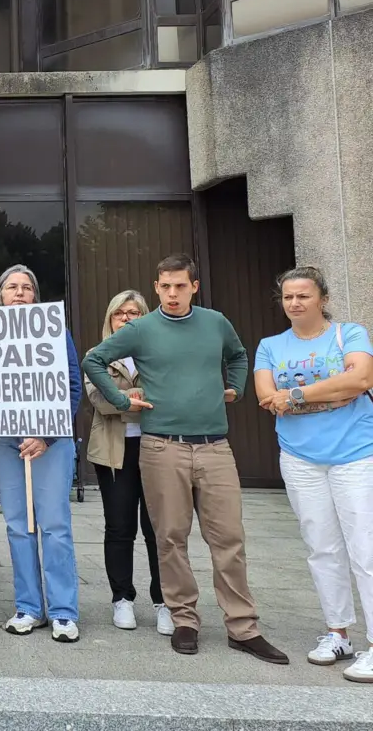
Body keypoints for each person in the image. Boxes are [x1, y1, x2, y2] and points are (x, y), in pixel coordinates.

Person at [82, 253, 287, 664]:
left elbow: (239, 355)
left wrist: (236, 387)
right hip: (162, 446)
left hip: (215, 446)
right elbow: (94, 360)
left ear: (195, 286)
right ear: (156, 287)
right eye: (164, 286)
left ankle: (243, 627)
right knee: (170, 538)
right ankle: (184, 619)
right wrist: (123, 399)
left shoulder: (215, 322)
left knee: (228, 538)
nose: (172, 293)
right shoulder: (141, 328)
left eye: (180, 285)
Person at [253, 266, 373, 682]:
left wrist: (298, 394)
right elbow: (267, 396)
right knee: (322, 547)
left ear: (322, 298)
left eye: (303, 295)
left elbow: (361, 377)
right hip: (300, 458)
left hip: (356, 454)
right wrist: (334, 389)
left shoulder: (350, 334)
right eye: (288, 297)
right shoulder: (271, 345)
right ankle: (337, 633)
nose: (295, 303)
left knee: (365, 548)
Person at [0, 265, 83, 642]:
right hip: (4, 441)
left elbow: (72, 383)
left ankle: (62, 611)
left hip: (50, 442)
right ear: (0, 296)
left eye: (28, 287)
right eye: (12, 287)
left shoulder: (56, 331)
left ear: (36, 297)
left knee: (55, 525)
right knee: (17, 525)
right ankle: (28, 607)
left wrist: (44, 434)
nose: (21, 292)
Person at [84, 290, 170, 635]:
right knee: (120, 526)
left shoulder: (160, 352)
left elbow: (168, 397)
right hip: (113, 453)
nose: (127, 318)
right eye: (120, 313)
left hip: (157, 448)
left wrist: (121, 396)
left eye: (135, 312)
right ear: (110, 319)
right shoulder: (97, 356)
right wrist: (134, 398)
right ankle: (122, 597)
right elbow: (99, 401)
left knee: (158, 528)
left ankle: (164, 600)